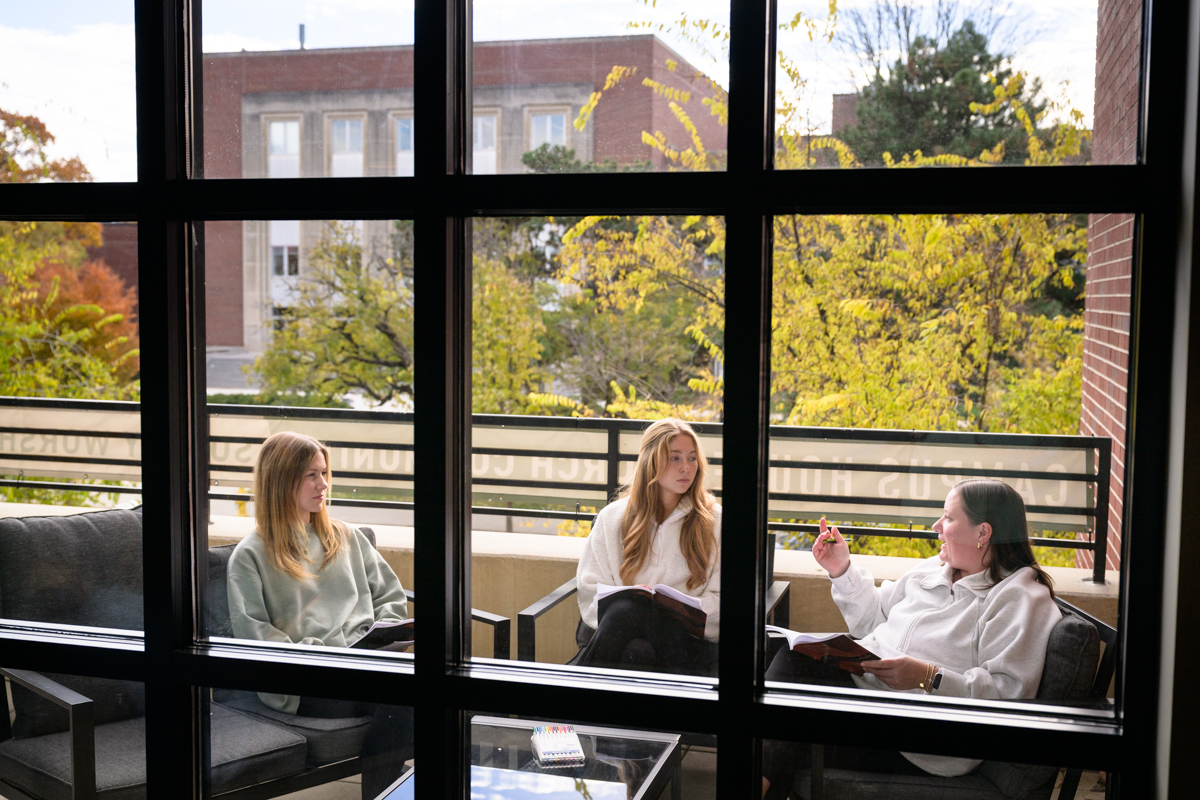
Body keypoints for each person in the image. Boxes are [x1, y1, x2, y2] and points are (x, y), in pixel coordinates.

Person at [761, 479, 1061, 798]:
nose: (936, 526)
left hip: (921, 739)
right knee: (788, 661)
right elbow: (874, 618)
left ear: (983, 533)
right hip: (872, 698)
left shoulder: (1020, 599)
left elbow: (1007, 696)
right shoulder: (934, 571)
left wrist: (927, 677)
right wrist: (841, 569)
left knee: (786, 724)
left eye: (947, 517)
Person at [227, 431, 414, 800]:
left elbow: (391, 598)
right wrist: (327, 652)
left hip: (368, 663)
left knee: (439, 687)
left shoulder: (346, 537)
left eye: (324, 473)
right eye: (311, 475)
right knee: (405, 701)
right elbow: (256, 637)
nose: (323, 484)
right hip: (305, 681)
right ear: (282, 480)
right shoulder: (250, 556)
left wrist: (387, 632)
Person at [574, 418, 721, 676]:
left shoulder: (714, 521)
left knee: (625, 612)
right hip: (623, 640)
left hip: (689, 644)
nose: (686, 468)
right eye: (675, 458)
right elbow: (590, 589)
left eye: (692, 458)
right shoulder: (613, 518)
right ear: (650, 462)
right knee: (638, 651)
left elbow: (724, 600)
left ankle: (570, 700)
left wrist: (671, 611)